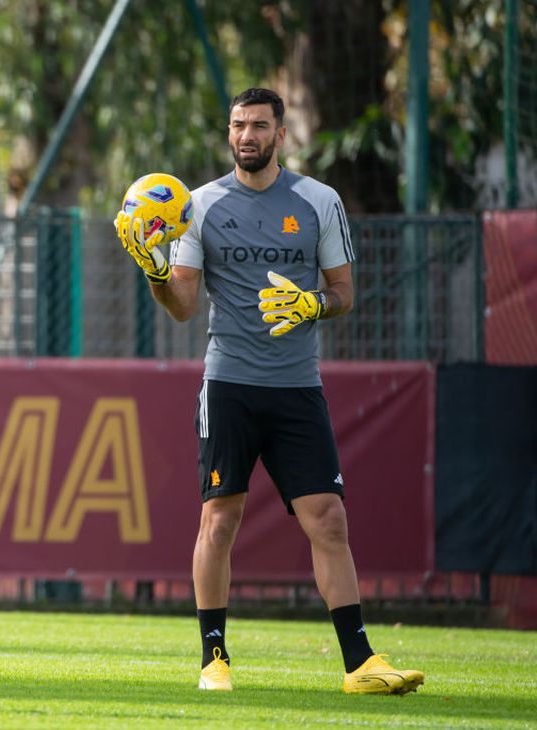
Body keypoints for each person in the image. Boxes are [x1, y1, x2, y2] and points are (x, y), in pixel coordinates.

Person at [115, 87, 424, 695]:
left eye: (258, 125)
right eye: (237, 126)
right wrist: (154, 270)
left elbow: (343, 292)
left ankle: (360, 664)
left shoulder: (319, 202)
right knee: (219, 521)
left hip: (296, 388)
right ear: (228, 133)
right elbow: (180, 305)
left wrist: (314, 303)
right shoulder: (198, 206)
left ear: (281, 134)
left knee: (329, 521)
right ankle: (213, 659)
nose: (246, 136)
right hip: (228, 383)